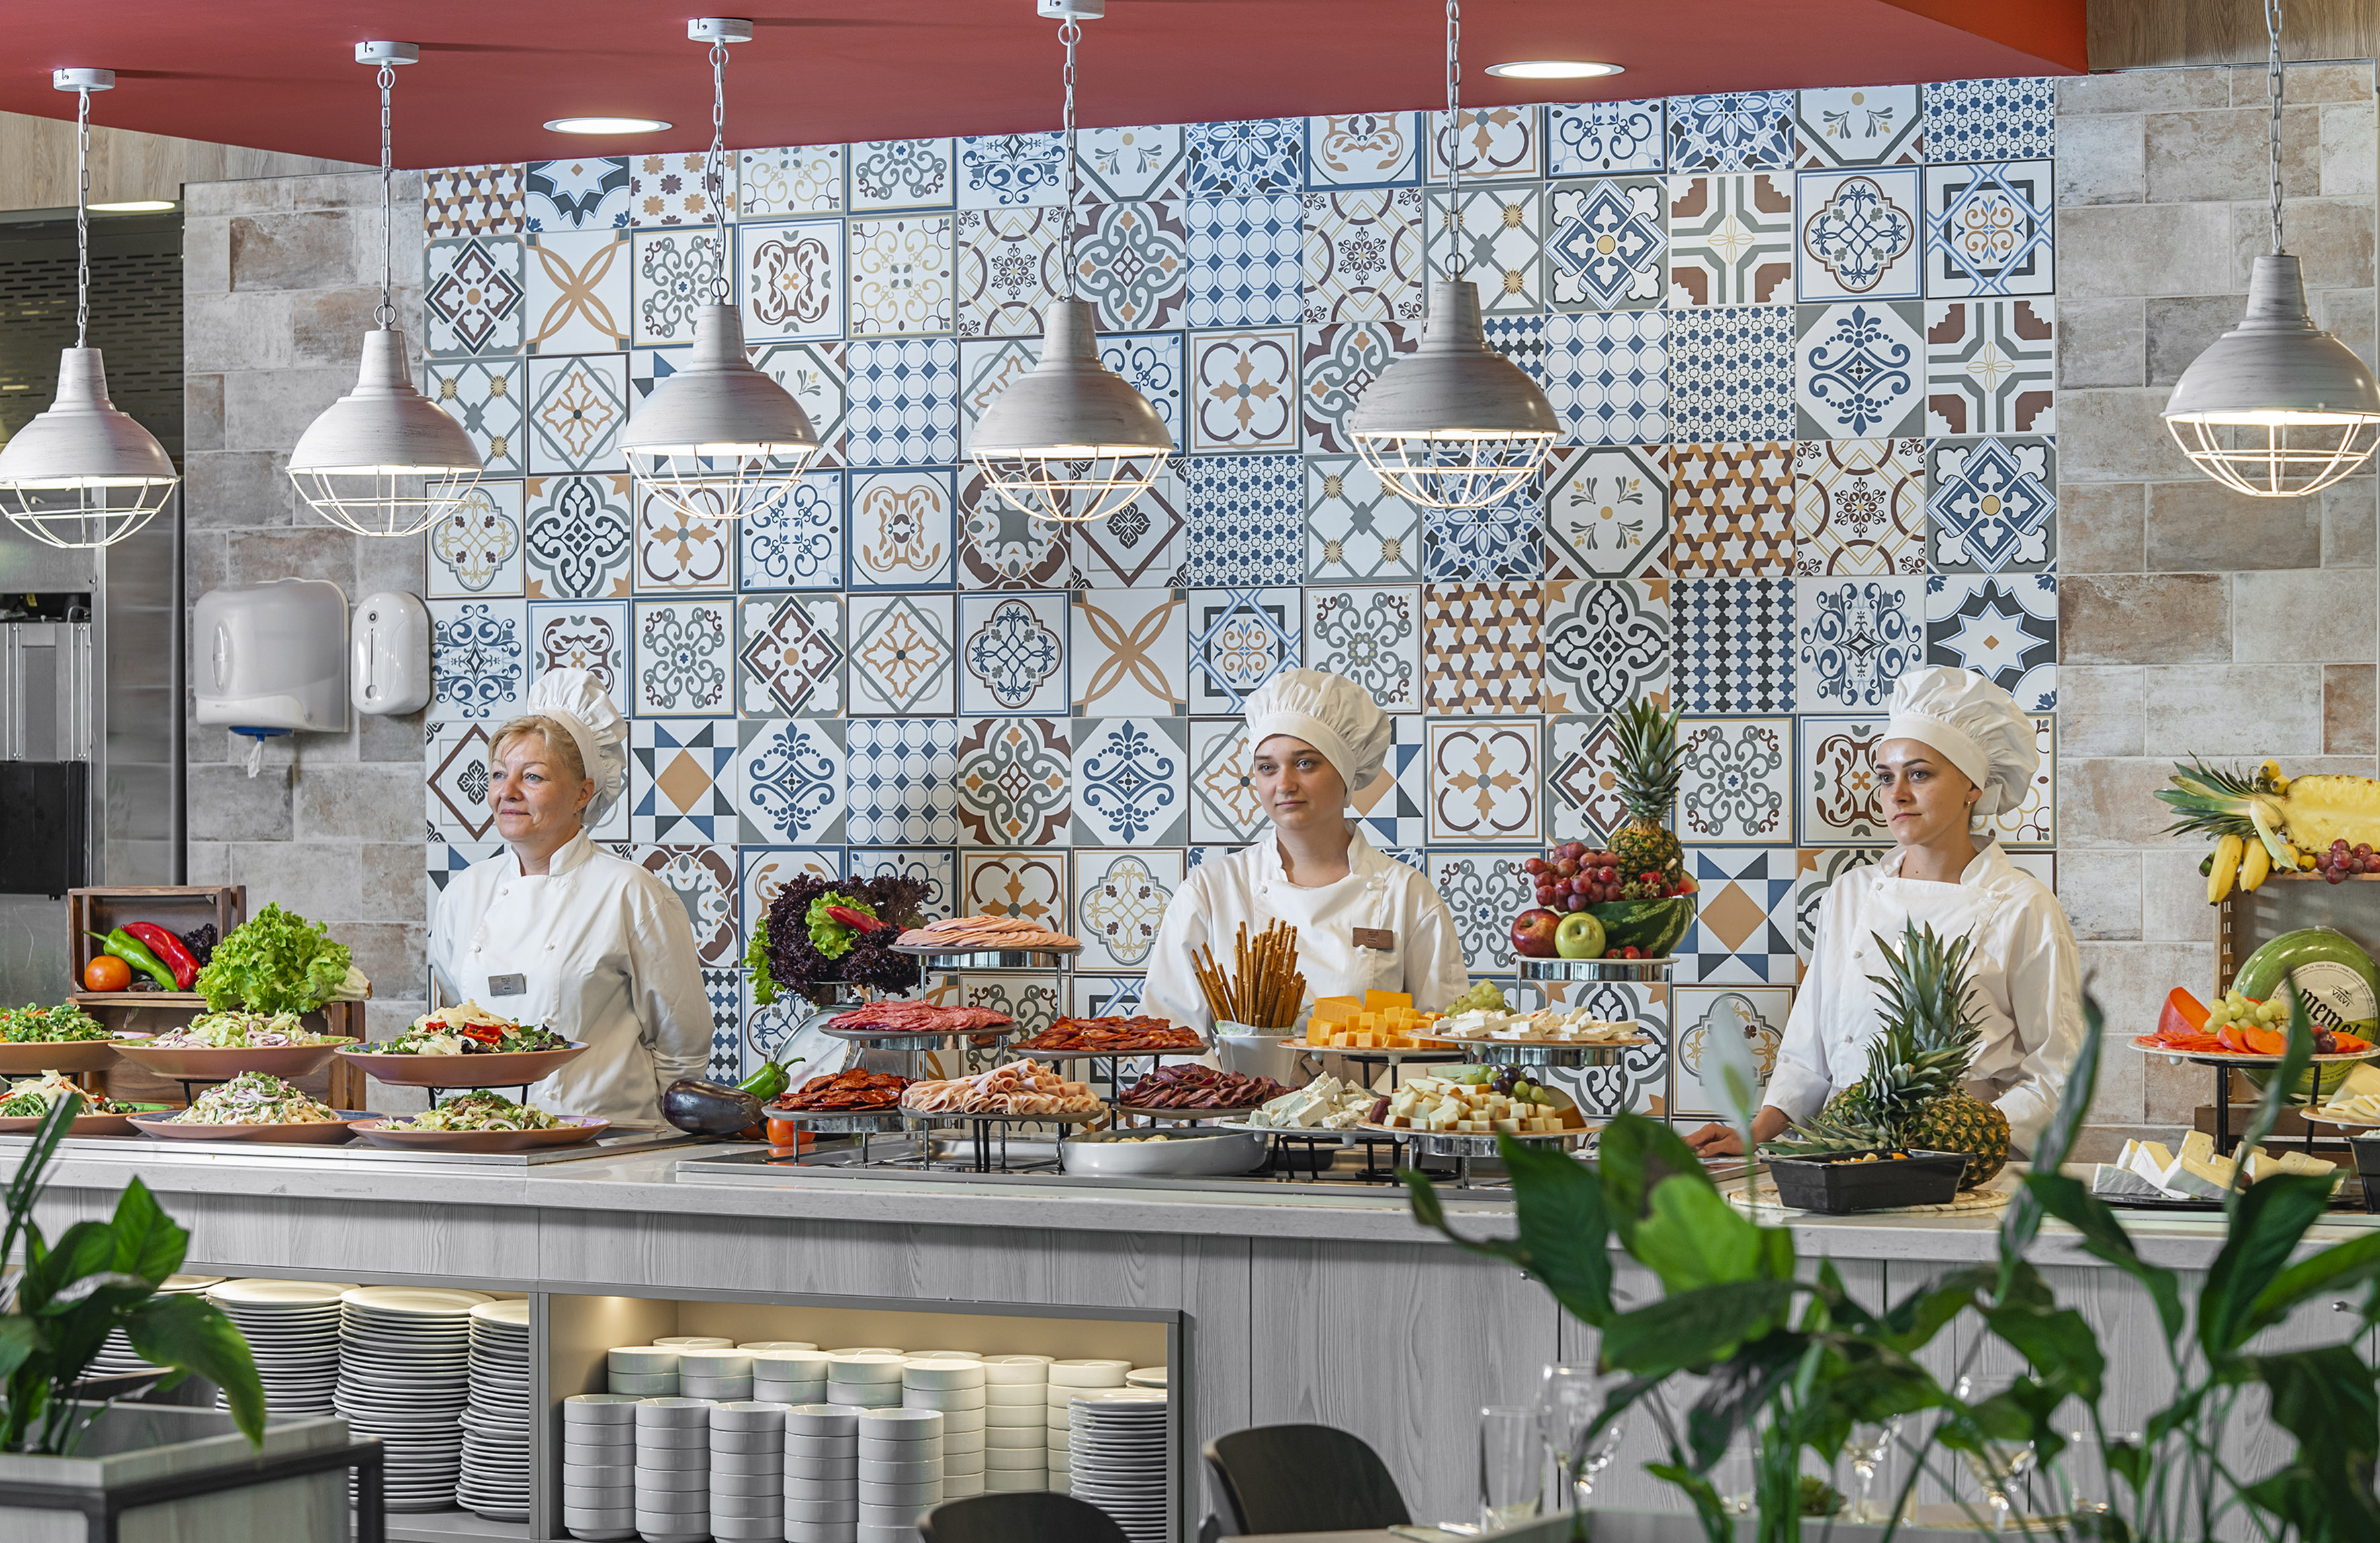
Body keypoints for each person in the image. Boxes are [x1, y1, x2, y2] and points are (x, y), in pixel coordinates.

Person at [1685, 666, 2084, 1159]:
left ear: (1973, 787)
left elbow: (2058, 1073)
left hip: (1959, 1166)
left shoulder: (2024, 907)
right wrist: (1755, 1131)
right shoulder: (1849, 894)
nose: (1895, 794)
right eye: (1885, 776)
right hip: (1840, 1153)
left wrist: (1959, 1132)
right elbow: (1807, 1051)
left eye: (1919, 774)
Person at [428, 670, 711, 1127]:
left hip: (606, 1149)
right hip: (482, 1140)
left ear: (583, 792)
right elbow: (456, 1014)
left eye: (532, 776)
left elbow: (683, 1046)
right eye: (499, 774)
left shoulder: (631, 893)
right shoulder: (464, 893)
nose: (508, 792)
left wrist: (650, 1137)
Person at [1144, 669, 1469, 1041]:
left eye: (1305, 763)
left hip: (1376, 1098)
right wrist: (1229, 1096)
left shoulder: (1408, 895)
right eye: (1267, 767)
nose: (1283, 784)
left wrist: (1378, 1100)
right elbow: (1172, 1036)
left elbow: (1444, 1036)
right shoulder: (1210, 891)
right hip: (1237, 1099)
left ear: (1347, 773)